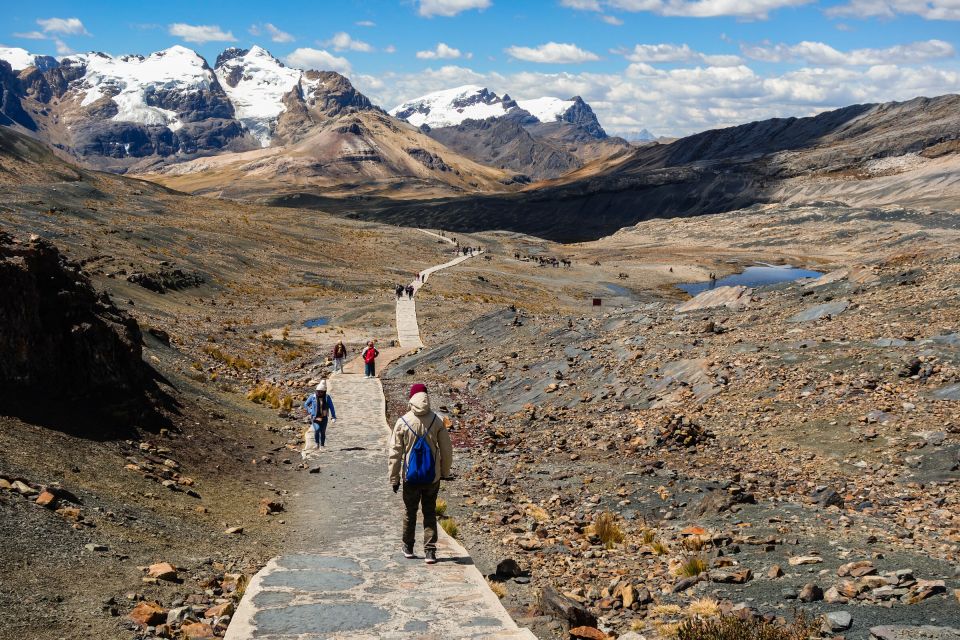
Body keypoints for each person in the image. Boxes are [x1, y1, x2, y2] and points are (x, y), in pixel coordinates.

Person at [388, 383, 453, 564]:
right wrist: (444, 472)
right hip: (432, 477)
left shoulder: (403, 421)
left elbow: (395, 453)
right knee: (430, 512)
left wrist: (394, 478)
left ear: (411, 398)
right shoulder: (437, 421)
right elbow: (447, 450)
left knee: (410, 512)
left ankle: (408, 547)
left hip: (410, 477)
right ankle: (430, 552)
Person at [303, 381, 336, 449]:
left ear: (324, 392)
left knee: (322, 432)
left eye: (321, 392)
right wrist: (310, 410)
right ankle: (317, 443)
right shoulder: (313, 397)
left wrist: (333, 416)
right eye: (318, 391)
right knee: (317, 429)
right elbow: (306, 404)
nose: (319, 393)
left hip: (324, 417)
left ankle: (322, 445)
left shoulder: (327, 397)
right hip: (315, 417)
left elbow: (331, 407)